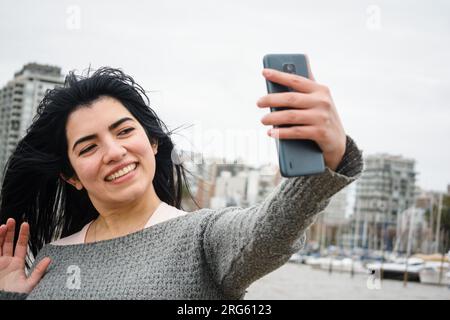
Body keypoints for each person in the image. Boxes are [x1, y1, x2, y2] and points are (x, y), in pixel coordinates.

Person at [0, 65, 363, 299]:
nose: (113, 152)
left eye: (124, 131)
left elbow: (269, 232)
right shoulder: (52, 259)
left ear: (153, 142)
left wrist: (325, 159)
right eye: (89, 146)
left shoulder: (201, 238)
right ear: (71, 176)